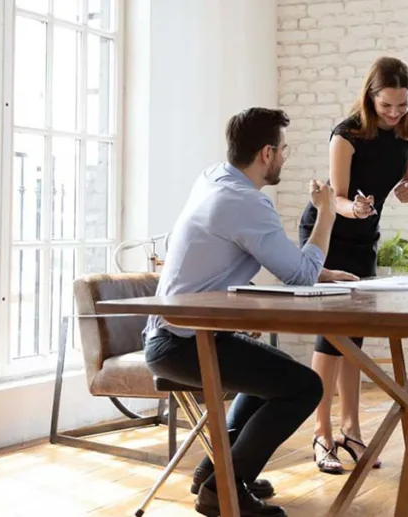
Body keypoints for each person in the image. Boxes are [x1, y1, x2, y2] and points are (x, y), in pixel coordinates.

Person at [143, 107, 338, 517]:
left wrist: (322, 269)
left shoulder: (214, 178)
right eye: (284, 149)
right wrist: (327, 211)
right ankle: (223, 489)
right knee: (305, 387)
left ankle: (215, 471)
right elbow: (300, 277)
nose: (286, 157)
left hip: (178, 335)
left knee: (273, 373)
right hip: (181, 344)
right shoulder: (245, 203)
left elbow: (279, 260)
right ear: (267, 153)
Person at [297, 56, 408, 474]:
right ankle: (321, 435)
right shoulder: (346, 134)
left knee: (354, 338)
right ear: (371, 98)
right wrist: (353, 207)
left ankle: (351, 431)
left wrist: (405, 192)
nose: (394, 114)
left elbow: (405, 183)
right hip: (328, 232)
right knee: (328, 338)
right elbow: (333, 199)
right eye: (386, 105)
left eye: (402, 105)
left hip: (364, 239)